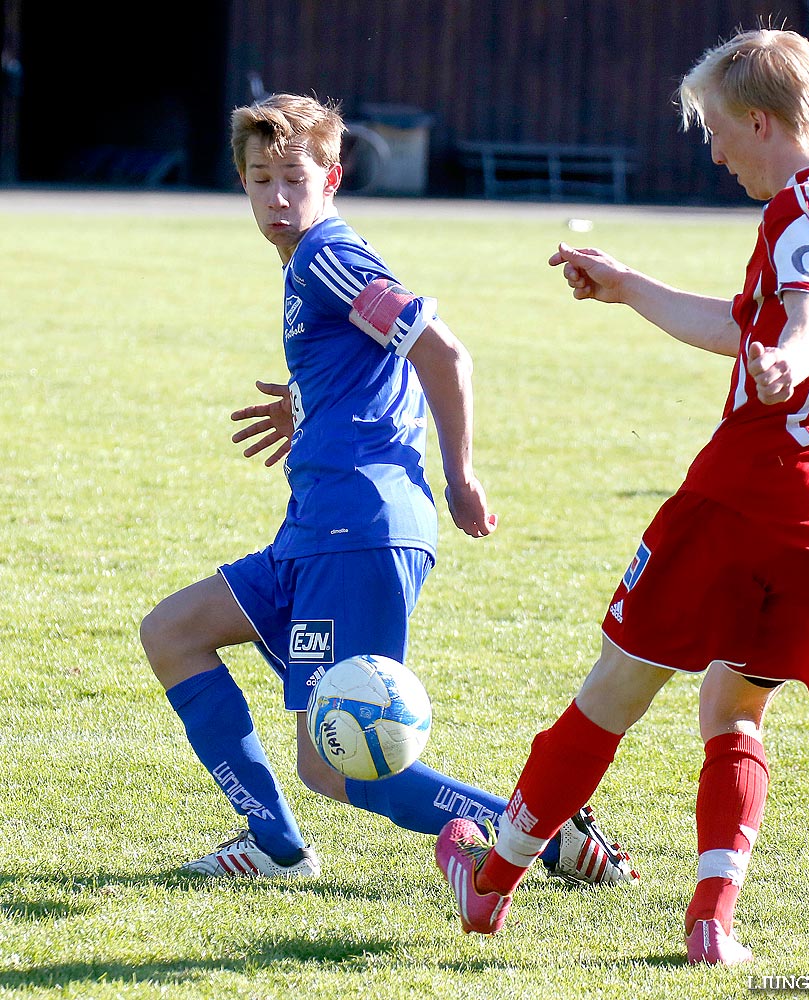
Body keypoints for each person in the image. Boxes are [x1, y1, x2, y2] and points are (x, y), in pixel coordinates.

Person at [435, 28, 809, 966]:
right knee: (734, 711)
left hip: (748, 496)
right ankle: (711, 923)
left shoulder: (803, 208)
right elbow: (753, 324)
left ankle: (487, 887)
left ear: (764, 120)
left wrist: (788, 357)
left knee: (613, 692)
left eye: (718, 130)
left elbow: (804, 316)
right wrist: (629, 289)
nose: (715, 149)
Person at [139, 92, 637, 889]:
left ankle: (543, 839)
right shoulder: (310, 267)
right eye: (260, 177)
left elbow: (440, 351)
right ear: (240, 181)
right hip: (315, 531)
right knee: (172, 633)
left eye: (293, 178)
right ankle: (274, 845)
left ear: (330, 179)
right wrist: (309, 405)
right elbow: (373, 363)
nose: (276, 196)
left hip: (357, 529)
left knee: (338, 766)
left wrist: (461, 475)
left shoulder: (328, 255)